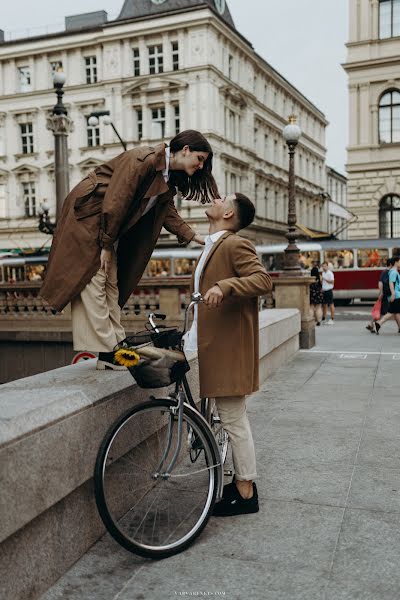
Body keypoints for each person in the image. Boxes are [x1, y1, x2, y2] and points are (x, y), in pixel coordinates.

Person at [40, 130, 218, 369]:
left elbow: (166, 212)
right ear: (185, 150)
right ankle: (107, 351)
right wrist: (106, 244)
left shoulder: (165, 176)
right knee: (94, 280)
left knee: (110, 283)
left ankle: (116, 345)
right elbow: (116, 200)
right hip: (88, 219)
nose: (200, 165)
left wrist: (195, 237)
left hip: (105, 225)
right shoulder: (141, 160)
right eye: (200, 159)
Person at [184, 193, 272, 516]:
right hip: (211, 344)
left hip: (227, 349)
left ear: (229, 211)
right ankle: (242, 484)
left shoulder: (235, 244)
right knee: (232, 418)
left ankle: (246, 490)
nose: (215, 199)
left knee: (234, 420)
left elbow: (263, 280)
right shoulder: (214, 244)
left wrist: (225, 286)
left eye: (221, 198)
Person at [374, 256, 400, 334]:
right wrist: (393, 293)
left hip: (395, 294)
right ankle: (379, 323)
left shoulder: (393, 271)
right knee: (391, 312)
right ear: (396, 262)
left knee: (396, 312)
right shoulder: (393, 272)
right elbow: (391, 283)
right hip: (396, 295)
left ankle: (399, 327)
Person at [366, 258, 393, 332]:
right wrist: (381, 292)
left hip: (384, 294)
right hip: (386, 295)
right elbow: (381, 283)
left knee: (381, 311)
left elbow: (380, 282)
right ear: (391, 264)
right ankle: (375, 324)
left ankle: (371, 324)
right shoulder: (387, 272)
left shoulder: (384, 272)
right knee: (387, 312)